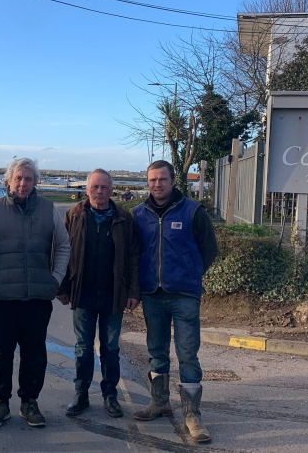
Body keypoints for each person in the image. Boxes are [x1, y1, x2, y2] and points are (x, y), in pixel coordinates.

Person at [0, 158, 70, 428]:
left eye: (28, 178)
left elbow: (63, 246)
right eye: (18, 178)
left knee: (34, 352)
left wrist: (56, 278)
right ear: (9, 181)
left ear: (35, 181)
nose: (23, 183)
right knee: (1, 351)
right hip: (2, 297)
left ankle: (29, 402)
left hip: (37, 297)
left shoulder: (49, 210)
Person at [131, 160, 218, 443]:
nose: (157, 185)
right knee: (156, 352)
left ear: (173, 181)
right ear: (148, 182)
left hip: (184, 296)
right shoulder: (139, 214)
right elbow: (135, 253)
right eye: (152, 180)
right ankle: (160, 402)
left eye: (162, 179)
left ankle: (192, 415)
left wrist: (189, 275)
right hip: (152, 295)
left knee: (187, 354)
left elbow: (209, 250)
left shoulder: (193, 211)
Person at [57, 169, 140, 418]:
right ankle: (81, 394)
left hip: (114, 294)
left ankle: (110, 395)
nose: (100, 192)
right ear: (87, 189)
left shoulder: (124, 218)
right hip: (82, 293)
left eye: (104, 187)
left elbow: (134, 257)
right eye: (95, 187)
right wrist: (61, 287)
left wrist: (133, 290)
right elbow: (59, 251)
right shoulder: (74, 215)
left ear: (111, 190)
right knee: (83, 347)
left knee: (110, 348)